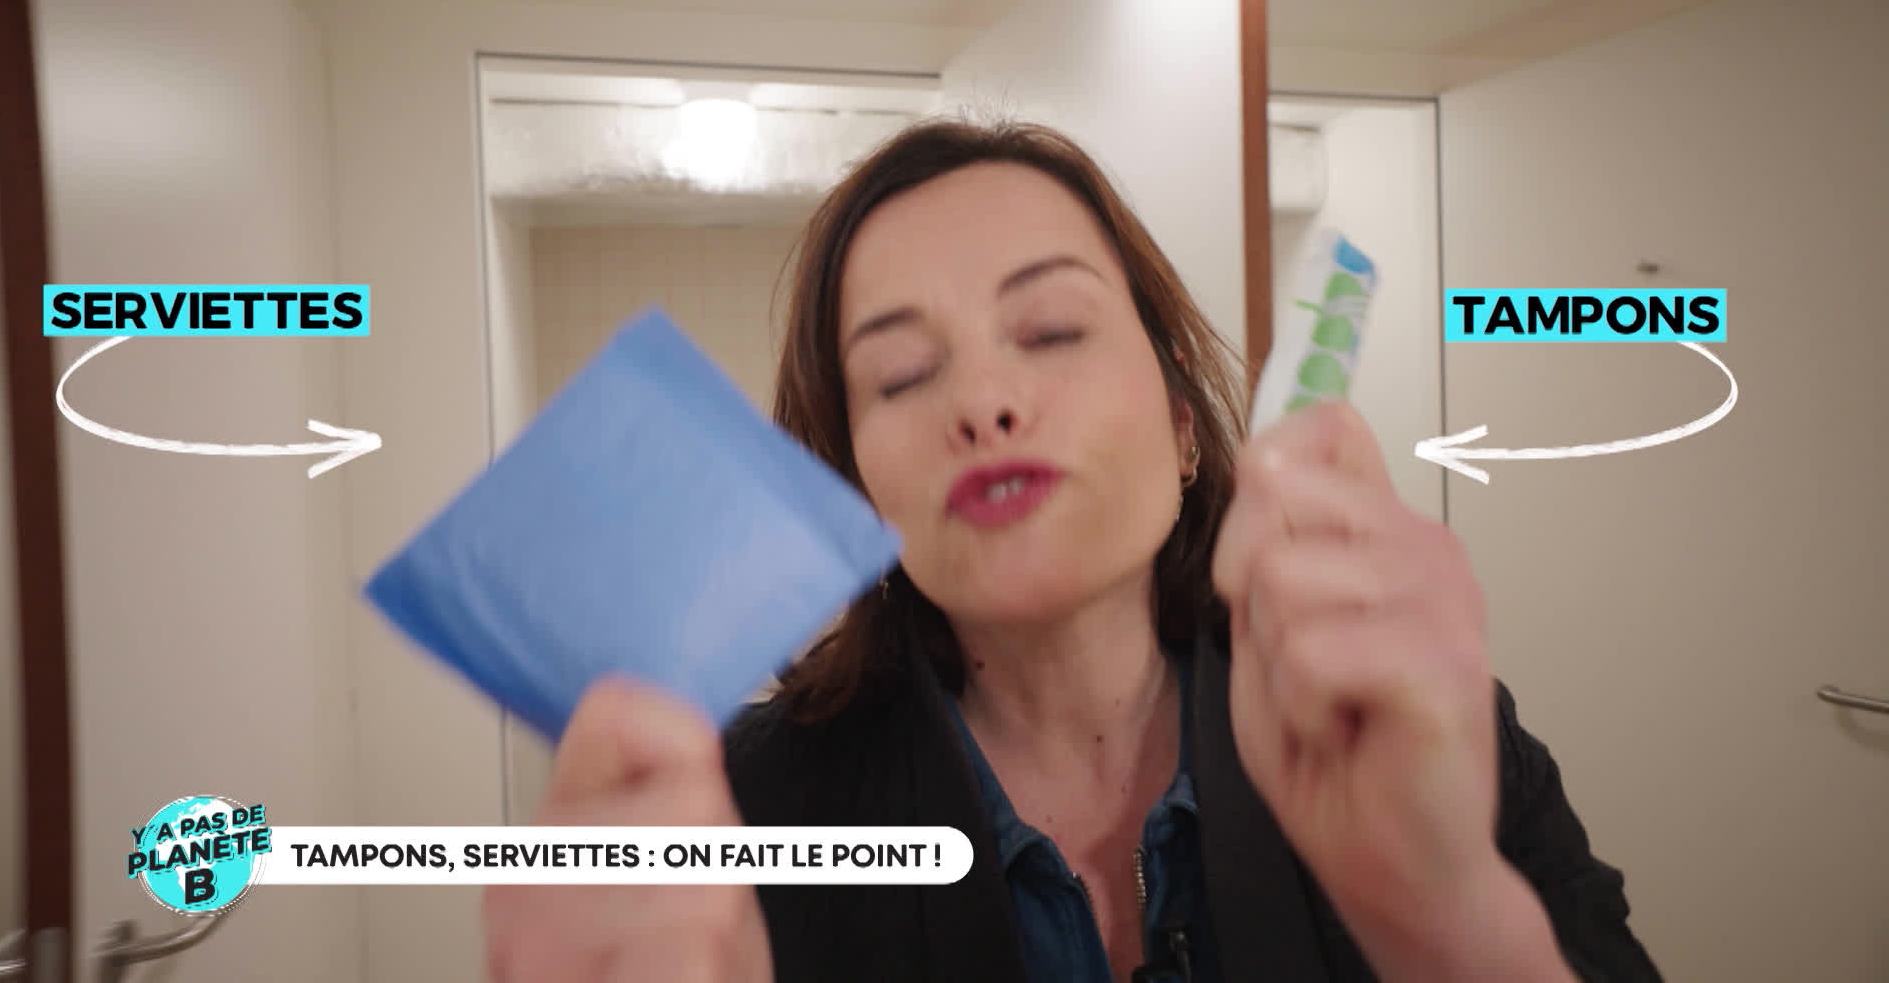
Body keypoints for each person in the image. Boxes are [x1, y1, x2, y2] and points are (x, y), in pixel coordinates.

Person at [481, 119, 1662, 982]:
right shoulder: (747, 817)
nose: (984, 400)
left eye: (1050, 329)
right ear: (856, 491)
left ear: (1184, 424)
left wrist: (1445, 914)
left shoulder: (1419, 730)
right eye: (903, 374)